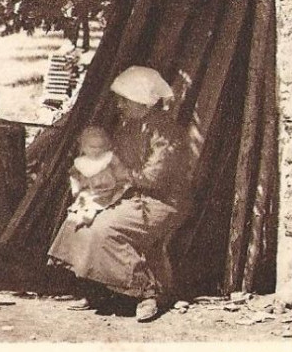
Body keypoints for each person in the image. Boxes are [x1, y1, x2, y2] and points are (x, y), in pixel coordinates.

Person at [48, 66, 192, 322]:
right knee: (77, 220)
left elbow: (154, 178)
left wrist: (118, 176)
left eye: (124, 100)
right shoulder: (129, 129)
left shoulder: (166, 132)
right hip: (132, 196)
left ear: (140, 100)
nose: (119, 105)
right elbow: (114, 163)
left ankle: (147, 292)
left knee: (105, 230)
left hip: (161, 202)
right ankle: (97, 287)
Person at [57, 125, 134, 229]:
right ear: (83, 147)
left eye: (100, 147)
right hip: (88, 189)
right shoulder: (81, 162)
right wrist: (76, 188)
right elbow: (74, 176)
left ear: (106, 146)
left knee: (98, 200)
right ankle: (81, 213)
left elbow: (119, 169)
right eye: (92, 147)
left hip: (105, 188)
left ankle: (91, 212)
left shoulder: (108, 158)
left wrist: (124, 177)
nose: (96, 150)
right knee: (83, 199)